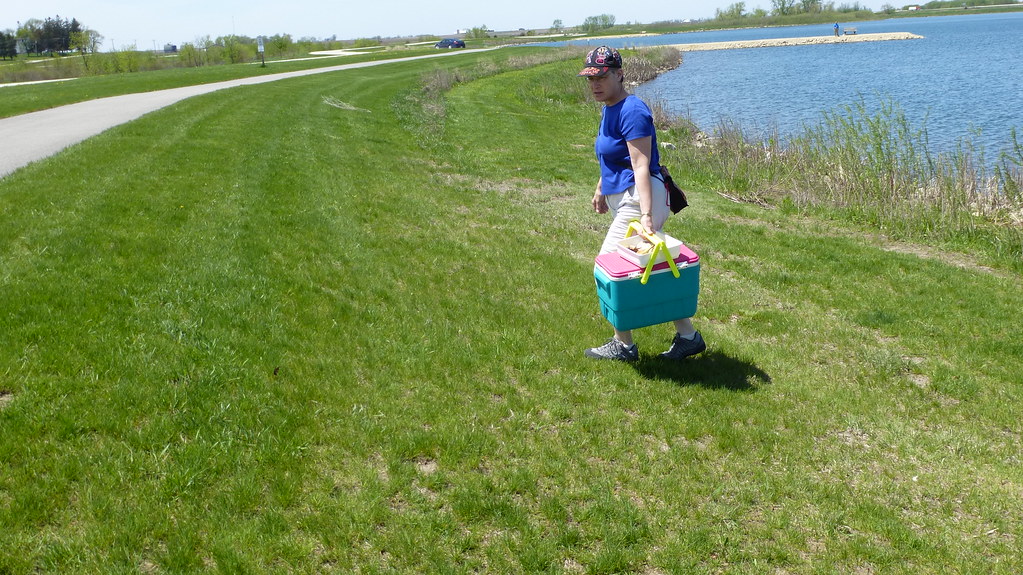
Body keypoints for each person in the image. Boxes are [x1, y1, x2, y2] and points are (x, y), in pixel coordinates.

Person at [578, 46, 706, 362]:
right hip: (628, 197)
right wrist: (600, 188)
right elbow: (613, 157)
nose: (595, 84)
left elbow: (640, 165)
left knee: (609, 268)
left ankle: (623, 346)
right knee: (651, 266)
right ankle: (688, 336)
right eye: (591, 78)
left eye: (602, 77)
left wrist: (646, 215)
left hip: (640, 199)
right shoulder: (610, 108)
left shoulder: (632, 110)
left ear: (619, 75)